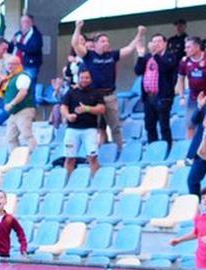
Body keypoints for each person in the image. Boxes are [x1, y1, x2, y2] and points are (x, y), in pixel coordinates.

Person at [72, 21, 145, 149]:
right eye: (103, 41)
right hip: (94, 97)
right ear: (95, 45)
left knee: (115, 126)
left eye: (107, 41)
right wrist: (78, 27)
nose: (106, 43)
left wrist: (139, 34)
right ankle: (95, 151)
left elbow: (129, 49)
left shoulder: (112, 55)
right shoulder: (88, 55)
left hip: (109, 96)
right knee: (94, 127)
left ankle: (119, 150)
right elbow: (75, 44)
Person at [135, 33, 178, 145]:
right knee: (149, 125)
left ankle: (167, 148)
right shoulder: (148, 57)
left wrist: (156, 55)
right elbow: (138, 71)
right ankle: (153, 148)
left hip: (163, 97)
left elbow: (165, 69)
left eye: (159, 41)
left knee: (164, 126)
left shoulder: (170, 56)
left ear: (165, 43)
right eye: (154, 41)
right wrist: (140, 55)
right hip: (148, 97)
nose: (156, 44)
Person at [61, 69, 106, 176]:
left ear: (91, 79)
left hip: (90, 129)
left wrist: (87, 109)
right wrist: (68, 116)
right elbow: (63, 107)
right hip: (72, 129)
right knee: (69, 158)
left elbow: (102, 109)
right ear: (78, 78)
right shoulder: (71, 92)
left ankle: (96, 182)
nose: (84, 80)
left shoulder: (96, 92)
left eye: (87, 78)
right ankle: (66, 183)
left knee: (92, 158)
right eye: (82, 77)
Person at [0, 56, 38, 153]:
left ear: (19, 65)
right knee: (10, 137)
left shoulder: (23, 76)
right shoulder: (10, 78)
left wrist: (12, 104)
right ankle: (15, 158)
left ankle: (36, 156)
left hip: (24, 109)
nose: (10, 66)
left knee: (27, 134)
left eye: (13, 64)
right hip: (14, 112)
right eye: (8, 64)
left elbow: (23, 92)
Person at [177, 36, 206, 140]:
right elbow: (180, 80)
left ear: (197, 47)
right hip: (193, 98)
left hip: (205, 98)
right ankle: (189, 152)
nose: (185, 50)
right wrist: (181, 96)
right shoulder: (184, 61)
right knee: (190, 125)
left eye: (188, 47)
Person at [169, 190, 206, 270]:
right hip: (201, 256)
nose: (205, 200)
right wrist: (179, 240)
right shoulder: (199, 218)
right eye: (203, 198)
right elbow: (196, 233)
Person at [10, 14, 43, 82]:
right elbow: (11, 48)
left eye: (26, 21)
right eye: (22, 22)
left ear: (32, 23)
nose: (23, 24)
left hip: (29, 65)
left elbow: (33, 49)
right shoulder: (18, 34)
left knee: (28, 86)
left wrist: (17, 44)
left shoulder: (36, 35)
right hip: (16, 65)